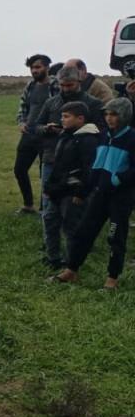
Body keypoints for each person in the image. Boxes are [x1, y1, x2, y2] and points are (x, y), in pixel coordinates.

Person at [56, 97, 135, 290]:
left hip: (121, 197)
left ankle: (112, 279)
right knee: (84, 232)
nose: (109, 118)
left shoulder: (132, 138)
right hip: (100, 194)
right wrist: (84, 191)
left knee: (115, 237)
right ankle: (71, 270)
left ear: (124, 116)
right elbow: (95, 167)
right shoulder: (103, 136)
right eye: (107, 114)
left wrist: (118, 180)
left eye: (114, 114)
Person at [33, 65, 103, 261]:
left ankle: (78, 251)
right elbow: (36, 127)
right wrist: (47, 129)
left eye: (69, 85)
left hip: (79, 166)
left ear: (79, 82)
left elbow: (101, 130)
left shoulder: (93, 104)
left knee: (75, 211)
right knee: (49, 210)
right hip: (52, 160)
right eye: (62, 85)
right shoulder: (51, 103)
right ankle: (51, 250)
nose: (65, 89)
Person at [39, 101, 99, 268]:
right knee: (49, 220)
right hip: (57, 190)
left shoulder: (88, 140)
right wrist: (49, 187)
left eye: (66, 116)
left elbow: (89, 170)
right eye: (62, 116)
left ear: (80, 119)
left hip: (72, 193)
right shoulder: (65, 136)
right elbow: (58, 165)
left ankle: (72, 263)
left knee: (71, 228)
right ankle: (53, 258)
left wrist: (81, 193)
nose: (62, 120)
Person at [13, 54, 55, 214]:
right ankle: (28, 204)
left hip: (47, 136)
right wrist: (21, 122)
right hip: (29, 134)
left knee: (45, 174)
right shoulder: (30, 85)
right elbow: (23, 106)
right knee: (19, 169)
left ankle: (45, 208)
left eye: (38, 67)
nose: (34, 71)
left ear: (47, 67)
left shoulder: (55, 85)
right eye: (32, 68)